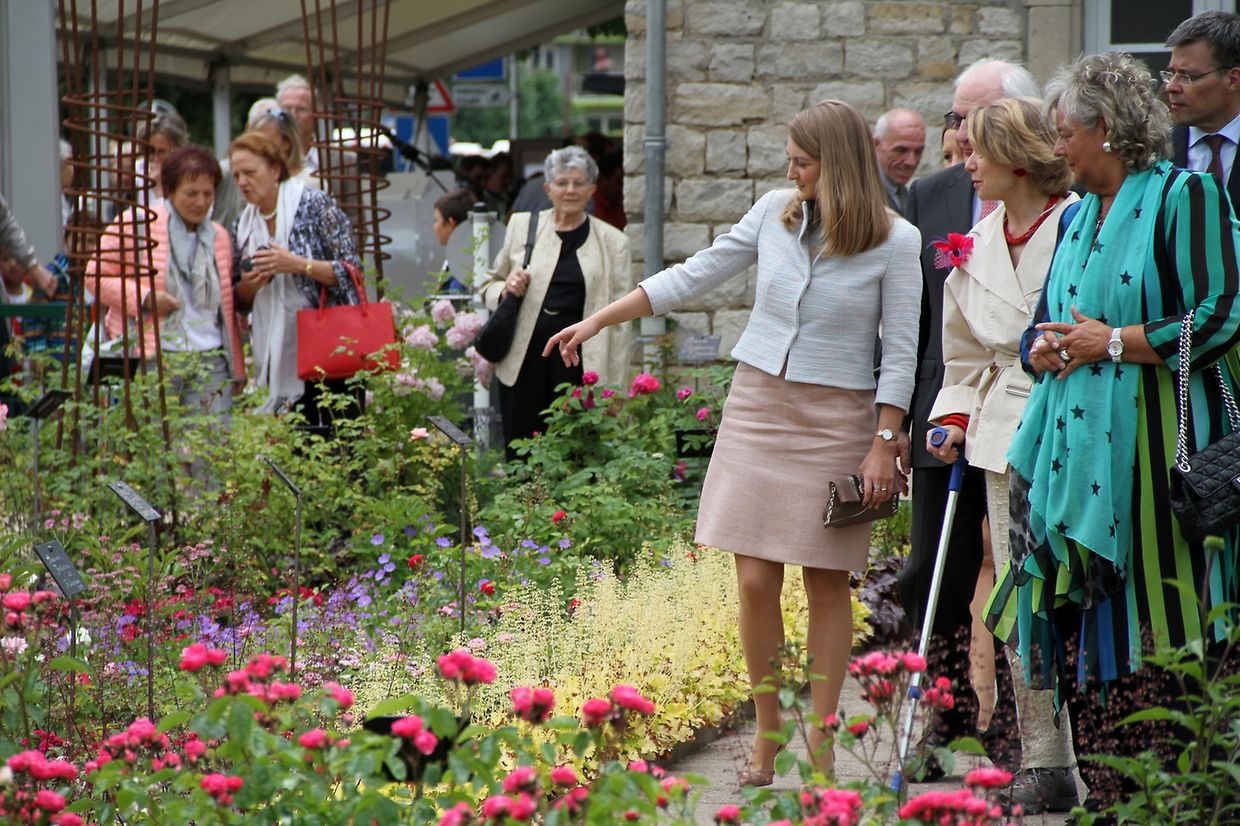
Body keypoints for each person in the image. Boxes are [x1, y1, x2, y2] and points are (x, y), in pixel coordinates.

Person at [544, 101, 922, 784]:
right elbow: (696, 272)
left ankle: (825, 742)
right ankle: (769, 734)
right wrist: (598, 319)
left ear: (833, 163)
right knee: (753, 581)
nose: (790, 170)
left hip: (839, 417)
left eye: (801, 161)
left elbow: (900, 351)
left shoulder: (897, 241)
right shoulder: (777, 211)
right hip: (756, 404)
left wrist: (883, 440)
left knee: (827, 585)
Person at [985, 51, 1240, 814]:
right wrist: (1043, 345)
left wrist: (1119, 342)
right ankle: (1109, 788)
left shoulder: (1185, 198)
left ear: (1105, 128)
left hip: (1161, 454)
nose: (1055, 149)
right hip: (1071, 461)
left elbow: (1224, 314)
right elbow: (1057, 318)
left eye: (1064, 133)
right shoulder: (1075, 218)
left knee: (1165, 617)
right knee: (1085, 624)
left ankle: (1178, 794)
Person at [926, 97, 1080, 814]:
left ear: (1018, 158)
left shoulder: (1082, 225)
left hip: (1077, 428)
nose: (965, 163)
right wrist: (952, 417)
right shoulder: (979, 238)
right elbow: (961, 354)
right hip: (998, 441)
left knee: (1081, 592)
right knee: (1022, 597)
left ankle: (1105, 752)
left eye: (977, 151)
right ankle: (1044, 757)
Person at [900, 59, 1038, 779]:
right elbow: (914, 320)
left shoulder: (1060, 205)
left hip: (1023, 417)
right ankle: (947, 721)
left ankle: (1022, 729)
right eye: (954, 118)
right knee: (934, 574)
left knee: (1023, 572)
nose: (957, 135)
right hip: (946, 412)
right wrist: (902, 418)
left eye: (971, 120)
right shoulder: (930, 196)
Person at [478, 145, 631, 460]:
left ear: (592, 189)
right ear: (548, 189)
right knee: (522, 451)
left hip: (580, 360)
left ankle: (568, 510)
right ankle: (523, 507)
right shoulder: (522, 226)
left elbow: (621, 323)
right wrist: (506, 287)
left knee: (577, 450)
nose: (570, 190)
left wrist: (615, 387)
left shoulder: (614, 242)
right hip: (524, 359)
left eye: (579, 183)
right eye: (562, 183)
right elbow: (487, 286)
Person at [91, 146, 245, 415]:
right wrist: (145, 298)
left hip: (210, 357)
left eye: (208, 194)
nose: (201, 202)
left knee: (211, 449)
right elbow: (95, 276)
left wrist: (238, 366)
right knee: (156, 447)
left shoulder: (218, 236)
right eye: (191, 193)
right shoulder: (136, 224)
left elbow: (226, 310)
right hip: (153, 354)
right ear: (170, 191)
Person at [228, 132, 361, 420]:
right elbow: (239, 299)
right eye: (236, 174)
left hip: (328, 345)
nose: (242, 182)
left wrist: (297, 264)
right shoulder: (242, 223)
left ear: (275, 170)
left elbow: (352, 272)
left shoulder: (314, 204)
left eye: (250, 172)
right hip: (272, 352)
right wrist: (250, 285)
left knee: (335, 442)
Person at [1165, 11, 1240, 212]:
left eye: (1188, 76)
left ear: (1232, 79)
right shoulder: (1154, 151)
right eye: (1171, 74)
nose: (1171, 87)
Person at [874, 108, 927, 214]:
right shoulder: (861, 197)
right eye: (901, 150)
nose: (911, 162)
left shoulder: (903, 194)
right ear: (876, 144)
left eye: (918, 151)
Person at [431, 188, 474, 296]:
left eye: (436, 221)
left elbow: (455, 304)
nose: (434, 227)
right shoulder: (455, 258)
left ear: (450, 223)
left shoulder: (463, 264)